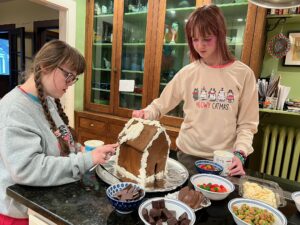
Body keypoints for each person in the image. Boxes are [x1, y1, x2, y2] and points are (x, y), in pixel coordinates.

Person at [0, 40, 118, 224]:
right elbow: (27, 169)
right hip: (20, 214)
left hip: (45, 200)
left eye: (74, 78)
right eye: (68, 76)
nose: (71, 83)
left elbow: (61, 140)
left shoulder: (48, 100)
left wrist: (83, 150)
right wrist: (87, 160)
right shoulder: (13, 110)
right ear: (46, 66)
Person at [133, 5, 259, 177]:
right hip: (188, 156)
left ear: (220, 35)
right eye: (195, 39)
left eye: (207, 39)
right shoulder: (188, 73)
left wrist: (240, 153)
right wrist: (145, 113)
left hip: (223, 159)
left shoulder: (243, 74)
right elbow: (160, 105)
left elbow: (247, 124)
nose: (200, 45)